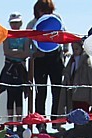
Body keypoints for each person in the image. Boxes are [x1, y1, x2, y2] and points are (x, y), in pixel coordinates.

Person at [26, 0, 67, 130]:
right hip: (40, 60)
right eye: (40, 9)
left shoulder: (56, 19)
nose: (42, 12)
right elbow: (28, 44)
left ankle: (57, 121)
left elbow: (63, 33)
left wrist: (66, 49)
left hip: (55, 58)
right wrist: (34, 53)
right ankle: (40, 123)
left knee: (57, 90)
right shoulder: (32, 24)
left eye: (45, 9)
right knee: (41, 91)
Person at [0, 12, 30, 124]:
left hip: (20, 68)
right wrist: (19, 53)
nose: (15, 25)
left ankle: (19, 122)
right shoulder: (6, 35)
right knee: (10, 95)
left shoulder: (25, 36)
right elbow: (6, 51)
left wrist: (14, 53)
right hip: (10, 68)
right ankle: (11, 123)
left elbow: (26, 52)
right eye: (13, 23)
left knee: (19, 95)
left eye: (17, 23)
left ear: (21, 23)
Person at [57, 41, 92, 114]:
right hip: (73, 94)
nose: (75, 51)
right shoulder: (72, 60)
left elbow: (90, 77)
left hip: (84, 94)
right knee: (75, 114)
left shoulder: (86, 60)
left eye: (76, 49)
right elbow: (68, 73)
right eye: (73, 49)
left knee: (83, 114)